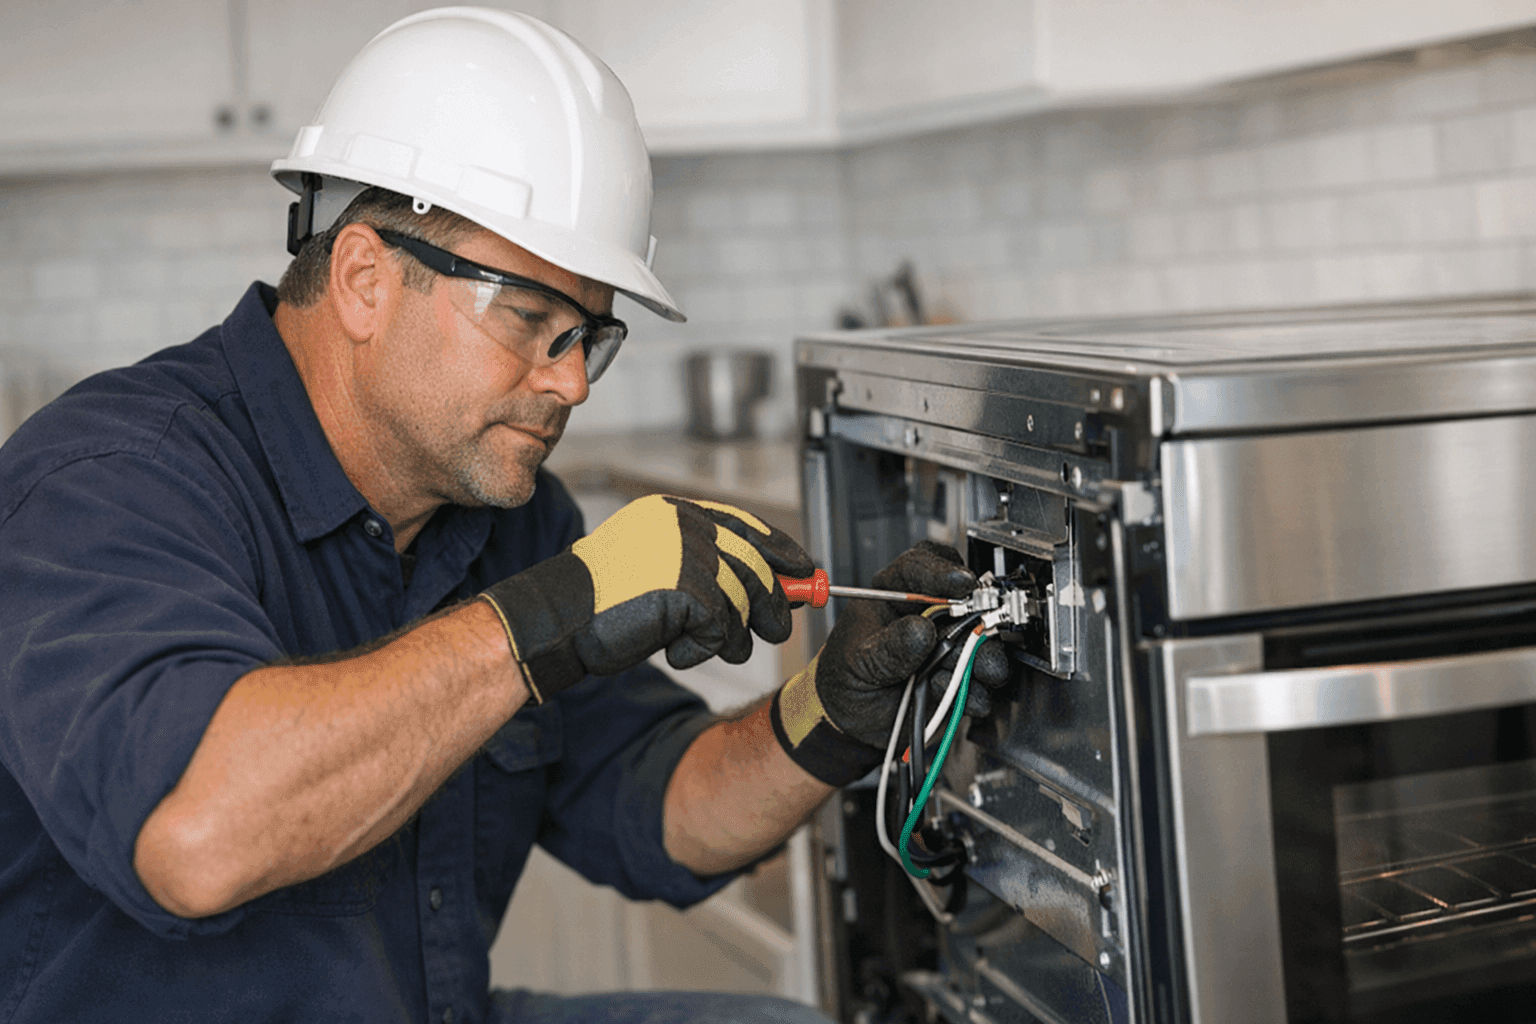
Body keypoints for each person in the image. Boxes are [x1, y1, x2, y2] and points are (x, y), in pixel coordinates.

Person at [0, 9, 1007, 1023]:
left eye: (589, 337)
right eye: (529, 320)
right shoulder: (107, 482)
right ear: (363, 278)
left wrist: (829, 711)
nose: (571, 382)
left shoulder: (501, 514)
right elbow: (197, 834)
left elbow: (657, 808)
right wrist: (543, 621)